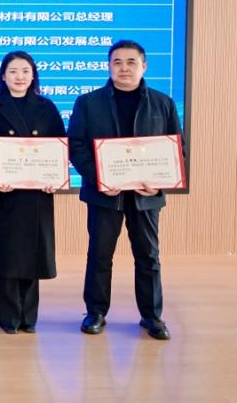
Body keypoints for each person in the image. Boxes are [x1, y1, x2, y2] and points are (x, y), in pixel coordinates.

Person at [68, 39, 185, 341]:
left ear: (143, 66)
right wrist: (100, 179)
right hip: (104, 194)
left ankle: (152, 316)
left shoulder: (163, 103)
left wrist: (159, 181)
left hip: (147, 196)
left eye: (131, 62)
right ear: (108, 67)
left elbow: (177, 148)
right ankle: (95, 312)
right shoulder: (88, 103)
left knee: (148, 257)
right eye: (117, 62)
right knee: (99, 255)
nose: (124, 68)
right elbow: (76, 146)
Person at [0, 51, 66, 334]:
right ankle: (7, 316)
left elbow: (59, 146)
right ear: (3, 75)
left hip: (37, 194)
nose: (19, 77)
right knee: (6, 255)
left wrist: (54, 177)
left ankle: (28, 316)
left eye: (25, 71)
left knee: (32, 254)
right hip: (4, 192)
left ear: (33, 75)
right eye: (13, 71)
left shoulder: (47, 107)